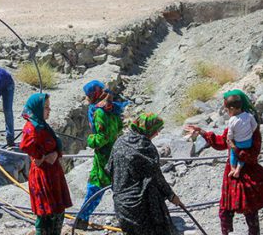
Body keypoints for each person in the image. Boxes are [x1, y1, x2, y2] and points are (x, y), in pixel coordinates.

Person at [185, 89, 263, 235]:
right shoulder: (234, 123)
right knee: (224, 211)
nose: (226, 112)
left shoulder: (253, 129)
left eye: (227, 109)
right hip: (231, 175)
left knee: (250, 213)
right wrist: (202, 132)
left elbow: (253, 155)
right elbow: (222, 142)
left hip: (247, 176)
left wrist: (236, 150)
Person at [107, 112, 183, 235]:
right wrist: (171, 196)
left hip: (122, 206)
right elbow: (156, 177)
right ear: (148, 128)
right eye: (156, 130)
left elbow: (109, 169)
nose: (157, 133)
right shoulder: (146, 147)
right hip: (142, 208)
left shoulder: (119, 142)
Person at [73, 80, 125, 230]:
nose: (87, 98)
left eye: (88, 95)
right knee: (119, 187)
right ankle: (129, 217)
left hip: (104, 156)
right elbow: (119, 128)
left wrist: (90, 140)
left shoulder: (99, 111)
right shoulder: (112, 108)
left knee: (95, 186)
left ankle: (81, 220)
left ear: (93, 94)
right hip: (115, 152)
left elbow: (102, 138)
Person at [20, 93, 72, 235]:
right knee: (46, 215)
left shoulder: (42, 125)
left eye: (49, 107)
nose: (49, 111)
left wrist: (55, 154)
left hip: (53, 173)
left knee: (57, 212)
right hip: (43, 176)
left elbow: (55, 145)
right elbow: (25, 146)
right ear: (37, 109)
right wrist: (40, 157)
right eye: (46, 108)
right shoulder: (32, 128)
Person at [224, 93, 258, 178]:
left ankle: (232, 168)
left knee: (233, 153)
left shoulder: (232, 120)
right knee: (243, 155)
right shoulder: (249, 115)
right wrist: (249, 133)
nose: (227, 112)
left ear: (232, 108)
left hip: (238, 143)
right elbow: (255, 126)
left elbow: (230, 133)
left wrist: (230, 140)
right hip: (248, 142)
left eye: (227, 110)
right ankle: (239, 169)